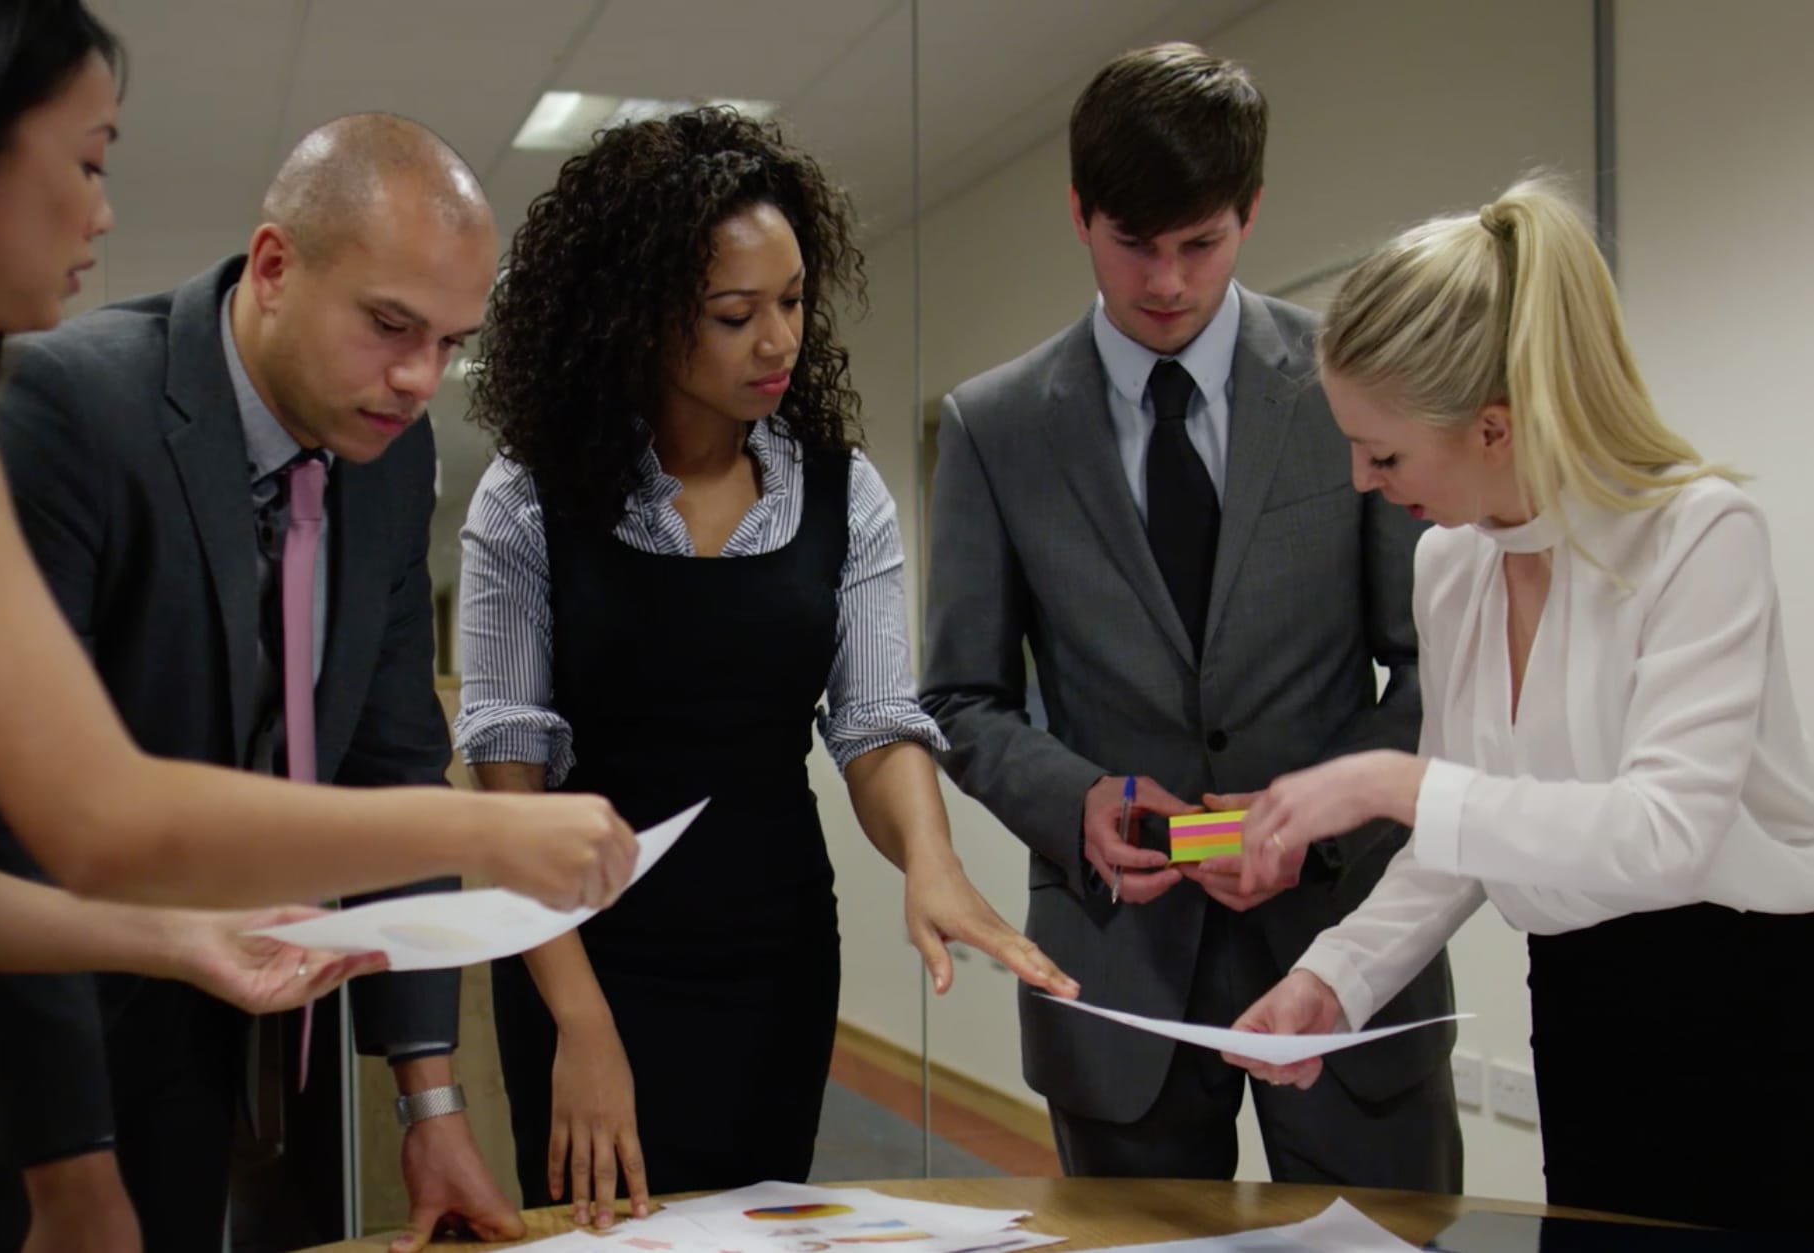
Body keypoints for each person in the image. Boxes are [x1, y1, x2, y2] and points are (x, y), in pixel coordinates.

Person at [0, 2, 634, 1247]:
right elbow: (97, 816)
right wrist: (490, 825)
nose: (101, 212)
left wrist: (167, 940)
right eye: (88, 159)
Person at [456, 106, 1077, 1224]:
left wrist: (929, 861)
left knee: (758, 1231)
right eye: (736, 314)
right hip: (580, 956)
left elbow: (876, 723)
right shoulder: (527, 499)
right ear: (639, 317)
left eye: (792, 302)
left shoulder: (843, 493)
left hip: (773, 949)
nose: (778, 341)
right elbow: (506, 787)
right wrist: (581, 1029)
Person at [0, 113, 528, 1253]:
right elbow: (0, 820)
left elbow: (391, 763)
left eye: (451, 342)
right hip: (25, 1052)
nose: (419, 379)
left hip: (223, 1037)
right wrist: (67, 1163)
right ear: (273, 267)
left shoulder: (388, 448)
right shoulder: (67, 408)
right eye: (388, 326)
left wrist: (429, 1099)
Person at [1223, 179, 1814, 1233]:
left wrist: (1394, 780)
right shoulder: (1450, 565)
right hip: (1581, 1006)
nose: (1360, 479)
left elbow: (1666, 833)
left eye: (1384, 451)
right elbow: (1460, 846)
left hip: (1744, 1011)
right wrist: (1333, 976)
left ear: (1492, 426)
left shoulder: (1698, 536)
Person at [918, 43, 1460, 1188]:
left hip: (1343, 948)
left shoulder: (1346, 382)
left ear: (1249, 212)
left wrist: (1316, 814)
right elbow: (961, 697)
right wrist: (1078, 801)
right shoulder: (993, 426)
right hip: (1116, 977)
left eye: (1199, 244)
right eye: (1134, 245)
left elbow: (1431, 675)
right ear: (1078, 213)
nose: (1165, 281)